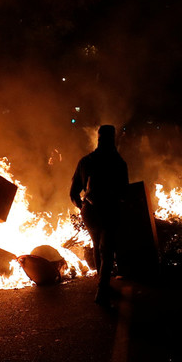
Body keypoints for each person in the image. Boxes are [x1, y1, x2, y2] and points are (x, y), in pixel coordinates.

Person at [69, 124, 129, 306]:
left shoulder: (86, 161)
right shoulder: (118, 162)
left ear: (98, 138)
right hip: (108, 209)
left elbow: (73, 193)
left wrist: (82, 206)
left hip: (90, 211)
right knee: (107, 249)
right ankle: (102, 289)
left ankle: (101, 282)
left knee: (97, 244)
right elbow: (124, 192)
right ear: (113, 139)